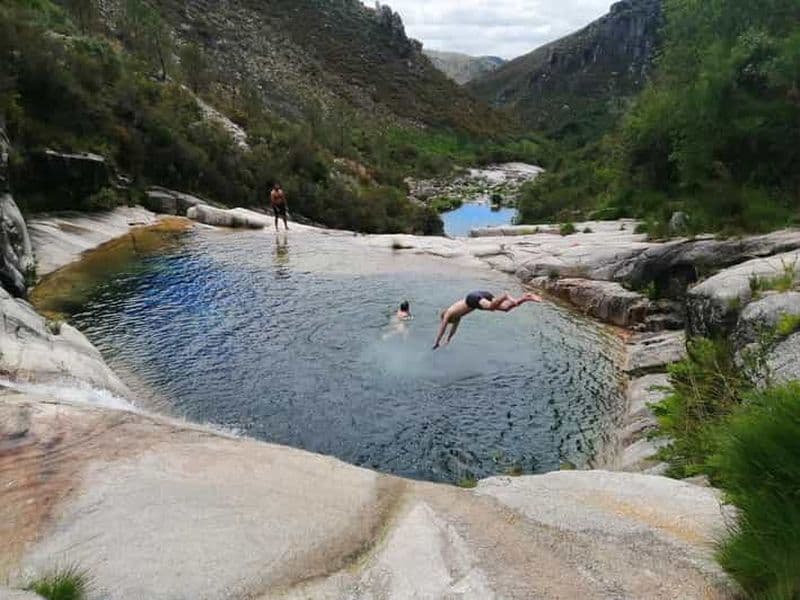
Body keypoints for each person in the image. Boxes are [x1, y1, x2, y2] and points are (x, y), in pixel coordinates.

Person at [432, 290, 542, 350]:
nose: (450, 322)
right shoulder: (457, 317)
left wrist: (437, 342)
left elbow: (442, 329)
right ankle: (526, 297)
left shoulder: (448, 313)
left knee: (491, 307)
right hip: (480, 297)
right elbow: (453, 330)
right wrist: (448, 340)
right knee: (506, 308)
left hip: (472, 299)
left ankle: (505, 295)